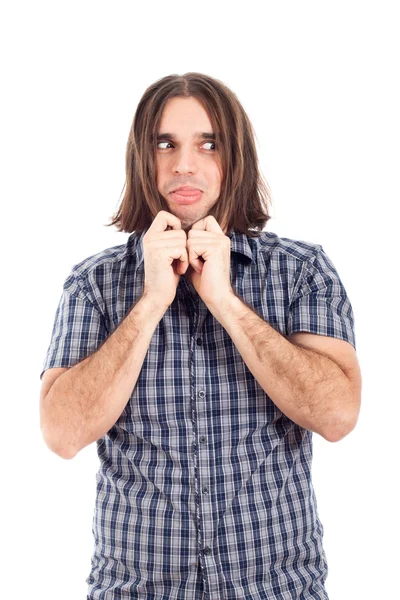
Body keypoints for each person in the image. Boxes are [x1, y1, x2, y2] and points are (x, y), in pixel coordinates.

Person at [39, 72, 362, 600]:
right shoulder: (92, 286)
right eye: (165, 144)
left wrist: (225, 301)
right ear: (142, 160)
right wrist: (150, 304)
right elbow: (62, 433)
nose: (184, 164)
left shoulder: (302, 271)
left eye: (207, 144)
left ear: (235, 159)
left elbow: (338, 415)